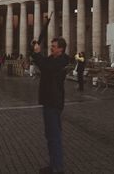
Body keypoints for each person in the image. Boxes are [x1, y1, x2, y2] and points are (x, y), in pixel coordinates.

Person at [35, 13, 68, 173]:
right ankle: (53, 164)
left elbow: (45, 67)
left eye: (54, 46)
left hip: (54, 102)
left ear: (61, 49)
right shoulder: (54, 59)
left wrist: (36, 53)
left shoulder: (62, 61)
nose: (51, 48)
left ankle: (58, 168)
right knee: (50, 136)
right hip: (49, 101)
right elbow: (40, 60)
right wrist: (35, 50)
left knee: (54, 136)